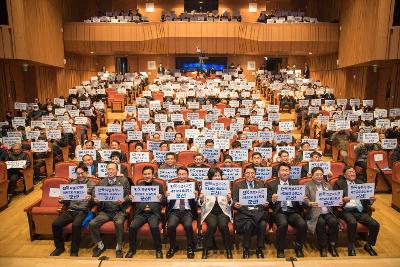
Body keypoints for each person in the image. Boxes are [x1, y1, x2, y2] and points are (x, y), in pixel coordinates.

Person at [333, 166, 380, 256]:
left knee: (375, 224)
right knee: (352, 222)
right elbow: (335, 199)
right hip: (346, 210)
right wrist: (343, 200)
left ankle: (369, 245)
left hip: (360, 210)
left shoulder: (361, 183)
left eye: (353, 172)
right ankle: (351, 247)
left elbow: (367, 200)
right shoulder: (339, 183)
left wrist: (371, 200)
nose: (352, 173)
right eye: (350, 172)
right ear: (344, 175)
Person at [50, 165, 96, 256]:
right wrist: (62, 200)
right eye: (78, 173)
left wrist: (90, 198)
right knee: (56, 224)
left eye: (82, 173)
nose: (80, 175)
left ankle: (74, 251)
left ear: (86, 173)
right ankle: (59, 247)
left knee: (76, 225)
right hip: (71, 210)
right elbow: (67, 200)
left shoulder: (93, 184)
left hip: (83, 210)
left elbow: (96, 200)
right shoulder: (72, 184)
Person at [89, 162, 130, 258]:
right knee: (92, 224)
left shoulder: (124, 181)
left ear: (117, 171)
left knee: (119, 223)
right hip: (105, 211)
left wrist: (124, 199)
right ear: (106, 170)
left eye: (113, 169)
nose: (110, 171)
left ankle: (119, 247)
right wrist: (95, 199)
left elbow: (129, 195)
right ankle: (100, 245)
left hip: (119, 210)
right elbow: (96, 195)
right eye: (109, 169)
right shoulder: (102, 182)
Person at [267, 162, 307, 258]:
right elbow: (267, 201)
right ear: (278, 172)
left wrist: (302, 200)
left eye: (286, 170)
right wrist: (273, 199)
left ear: (290, 172)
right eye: (282, 170)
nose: (284, 172)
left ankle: (298, 247)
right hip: (280, 211)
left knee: (302, 224)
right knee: (283, 224)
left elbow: (299, 201)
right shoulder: (271, 184)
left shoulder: (295, 183)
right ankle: (280, 249)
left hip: (293, 210)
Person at [126, 166, 165, 258]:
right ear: (142, 175)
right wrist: (131, 198)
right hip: (141, 213)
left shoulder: (158, 185)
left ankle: (158, 249)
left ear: (152, 175)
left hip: (153, 213)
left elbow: (164, 201)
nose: (147, 176)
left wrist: (161, 198)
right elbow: (133, 201)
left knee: (154, 226)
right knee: (132, 226)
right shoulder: (138, 186)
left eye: (149, 174)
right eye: (145, 174)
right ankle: (132, 249)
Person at [232, 165, 269, 259]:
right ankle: (246, 248)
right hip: (244, 213)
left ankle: (259, 248)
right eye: (248, 173)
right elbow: (235, 200)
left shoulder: (261, 184)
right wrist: (236, 204)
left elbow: (265, 200)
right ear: (244, 174)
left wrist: (266, 203)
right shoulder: (238, 185)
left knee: (263, 224)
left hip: (258, 212)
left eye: (252, 173)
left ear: (255, 174)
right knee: (248, 225)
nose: (250, 175)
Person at [304, 167, 339, 257]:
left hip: (327, 211)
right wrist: (309, 203)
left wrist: (339, 201)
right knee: (320, 223)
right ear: (312, 176)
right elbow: (304, 198)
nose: (319, 177)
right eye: (317, 175)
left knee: (334, 222)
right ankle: (323, 246)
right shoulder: (307, 185)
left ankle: (332, 245)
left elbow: (334, 197)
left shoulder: (327, 185)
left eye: (321, 175)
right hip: (314, 212)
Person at [199, 168, 233, 259]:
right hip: (210, 212)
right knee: (212, 225)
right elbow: (201, 203)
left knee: (223, 225)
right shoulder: (205, 186)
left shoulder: (226, 186)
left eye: (219, 176)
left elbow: (230, 204)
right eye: (215, 176)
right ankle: (205, 249)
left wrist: (229, 199)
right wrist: (201, 199)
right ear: (210, 177)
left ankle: (228, 249)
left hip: (223, 211)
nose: (217, 178)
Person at [165, 167, 198, 259]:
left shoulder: (192, 185)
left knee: (188, 225)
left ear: (187, 175)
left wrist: (196, 196)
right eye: (179, 174)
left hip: (188, 211)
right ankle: (173, 246)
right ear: (177, 175)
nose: (181, 176)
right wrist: (167, 196)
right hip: (175, 211)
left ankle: (190, 247)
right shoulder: (172, 185)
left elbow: (196, 202)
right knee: (170, 225)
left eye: (183, 174)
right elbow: (167, 202)